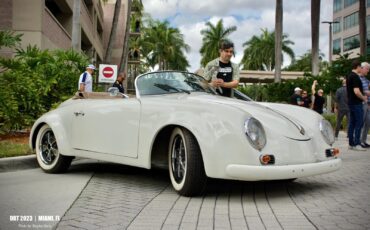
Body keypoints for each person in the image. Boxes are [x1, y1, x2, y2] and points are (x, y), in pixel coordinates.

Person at [346, 60, 367, 151]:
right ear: (358, 67)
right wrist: (363, 98)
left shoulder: (349, 76)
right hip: (356, 103)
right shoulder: (355, 77)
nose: (361, 69)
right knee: (359, 123)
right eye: (361, 67)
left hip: (351, 102)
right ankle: (357, 143)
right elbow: (357, 91)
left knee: (352, 123)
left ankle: (351, 144)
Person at [359, 62, 370, 148]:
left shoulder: (367, 80)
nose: (368, 71)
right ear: (362, 68)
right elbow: (356, 90)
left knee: (367, 123)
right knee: (361, 123)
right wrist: (365, 92)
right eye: (367, 69)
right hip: (361, 104)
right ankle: (359, 141)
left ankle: (364, 141)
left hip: (367, 104)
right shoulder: (357, 79)